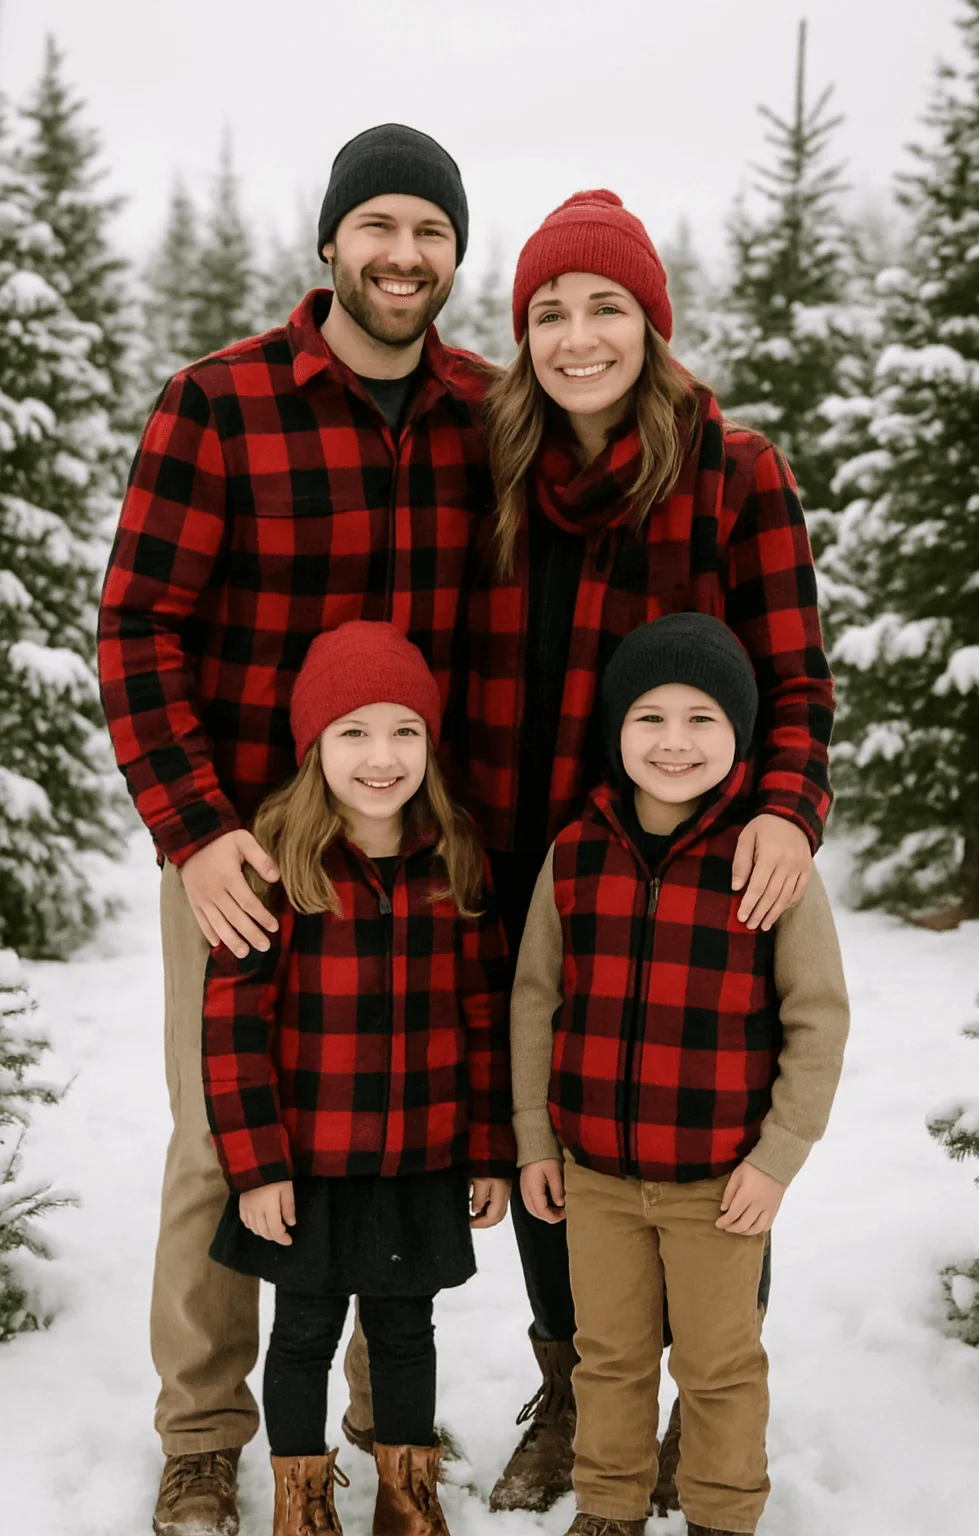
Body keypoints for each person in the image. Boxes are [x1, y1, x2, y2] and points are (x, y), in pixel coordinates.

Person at [97, 124, 494, 1536]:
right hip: (245, 847)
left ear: (455, 253)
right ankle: (206, 1436)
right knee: (227, 1135)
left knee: (405, 1127)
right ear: (329, 243)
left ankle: (387, 1425)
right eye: (378, 225)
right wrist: (196, 830)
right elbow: (137, 625)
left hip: (417, 849)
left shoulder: (483, 413)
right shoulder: (220, 404)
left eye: (431, 231)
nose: (404, 254)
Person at [453, 191, 836, 1512]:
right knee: (559, 1131)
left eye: (606, 306)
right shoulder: (498, 467)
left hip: (696, 860)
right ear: (522, 334)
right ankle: (575, 1388)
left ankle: (702, 1400)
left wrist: (784, 809)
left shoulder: (735, 471)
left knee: (705, 1115)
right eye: (549, 311)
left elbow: (796, 680)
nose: (578, 336)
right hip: (536, 861)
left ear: (651, 323)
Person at [510, 613, 849, 1536]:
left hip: (719, 1183)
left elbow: (818, 1017)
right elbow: (536, 998)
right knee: (609, 1356)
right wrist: (536, 1138)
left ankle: (722, 1513)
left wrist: (777, 1158)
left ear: (740, 732)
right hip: (596, 1177)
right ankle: (609, 1507)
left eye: (702, 718)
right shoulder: (574, 854)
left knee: (718, 1365)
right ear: (616, 729)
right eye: (649, 717)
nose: (674, 741)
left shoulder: (767, 862)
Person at [203, 619, 514, 1536]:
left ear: (429, 742)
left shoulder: (455, 858)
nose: (382, 757)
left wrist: (489, 1150)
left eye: (405, 731)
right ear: (315, 744)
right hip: (310, 1165)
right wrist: (258, 1167)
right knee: (302, 1332)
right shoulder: (277, 864)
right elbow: (233, 1029)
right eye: (354, 733)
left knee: (406, 1331)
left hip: (420, 1160)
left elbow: (486, 1018)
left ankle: (408, 1500)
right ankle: (301, 1505)